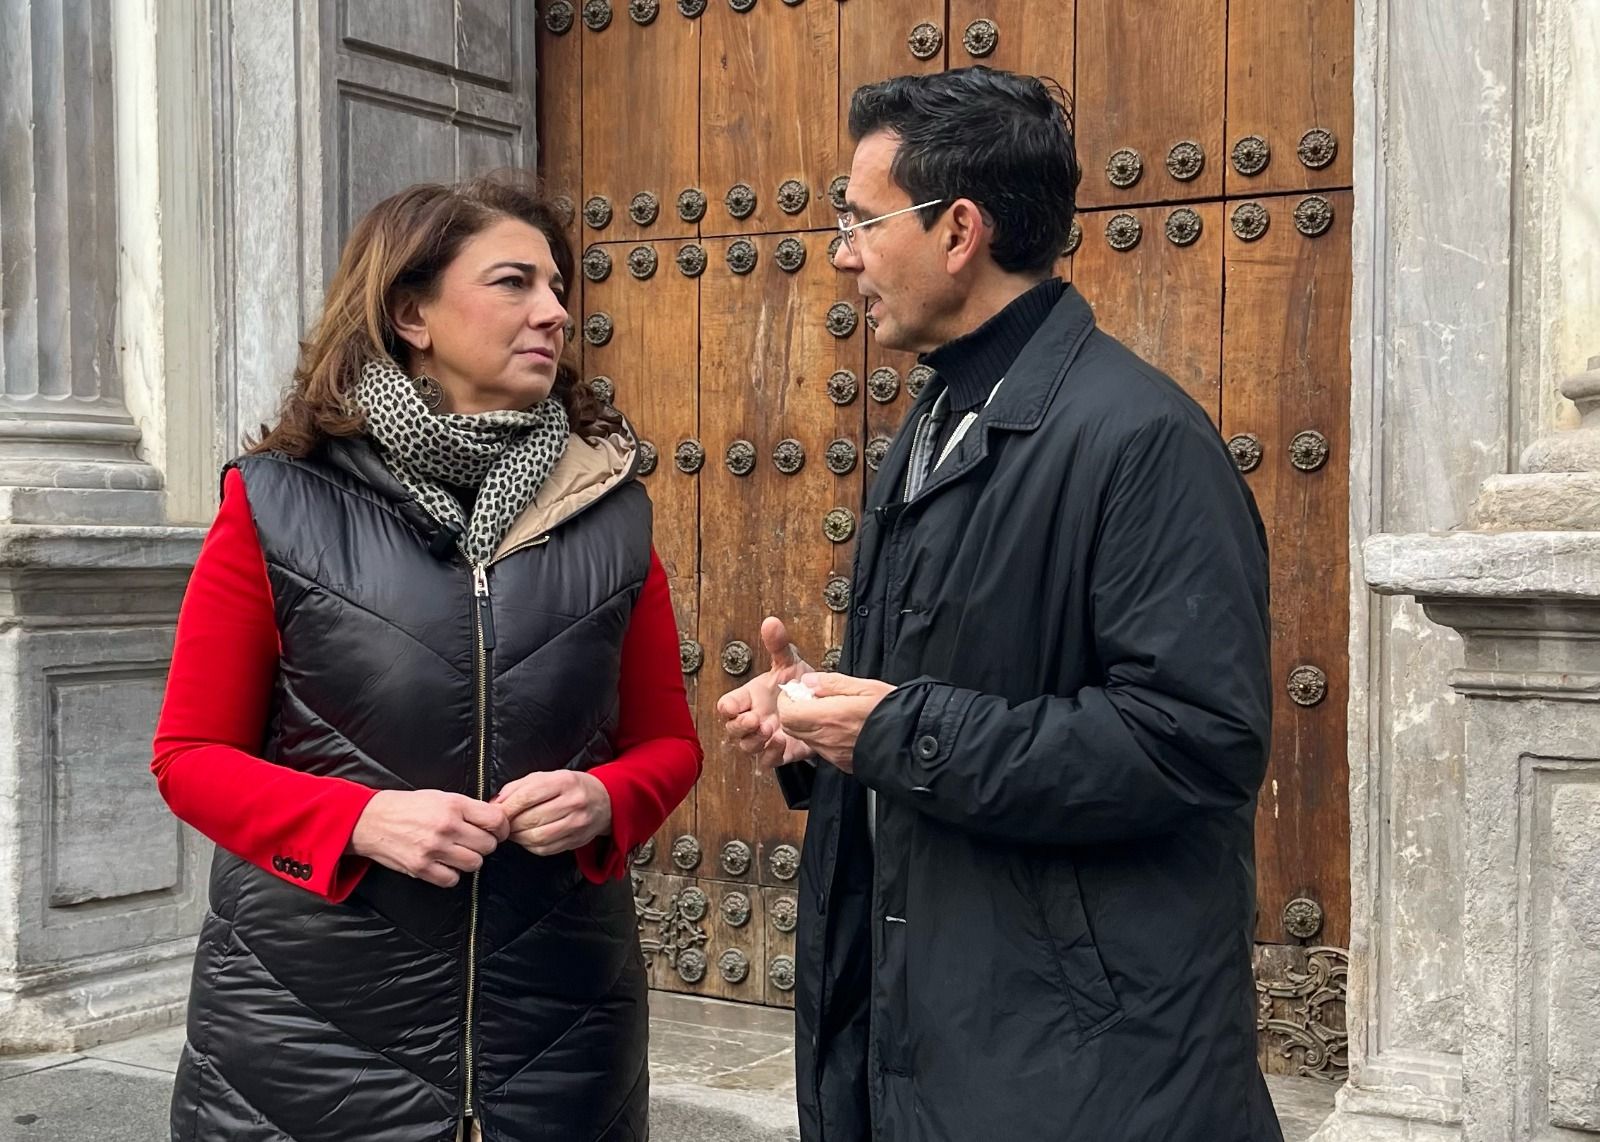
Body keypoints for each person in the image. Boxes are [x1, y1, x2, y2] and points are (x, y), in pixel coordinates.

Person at [718, 67, 1282, 1142]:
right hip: (948, 1034)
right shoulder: (944, 415)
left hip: (1083, 1077)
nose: (840, 254)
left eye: (860, 219)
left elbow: (1192, 742)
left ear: (958, 228)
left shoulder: (1138, 439)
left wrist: (892, 727)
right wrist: (819, 718)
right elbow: (957, 690)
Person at [152, 172, 702, 1142]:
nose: (555, 312)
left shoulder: (611, 512)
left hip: (560, 1026)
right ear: (411, 312)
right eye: (514, 282)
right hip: (306, 1034)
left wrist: (609, 798)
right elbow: (190, 755)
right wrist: (356, 817)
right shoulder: (278, 503)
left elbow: (667, 744)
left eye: (559, 286)